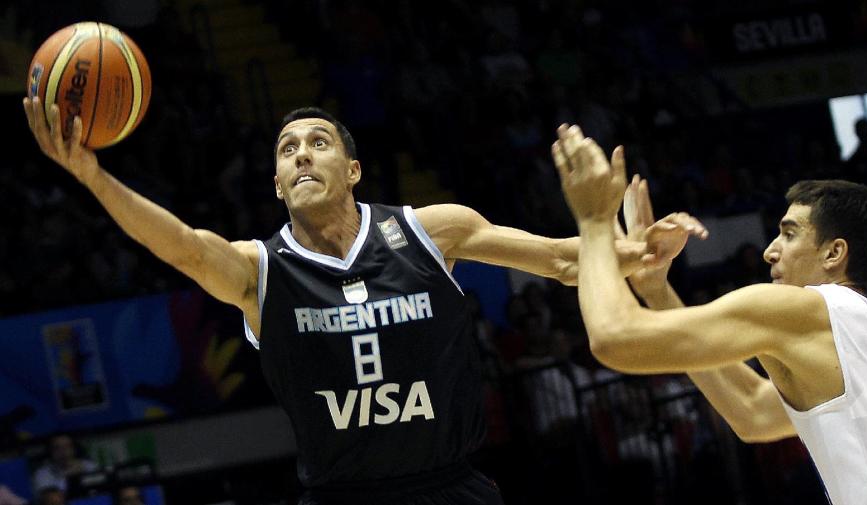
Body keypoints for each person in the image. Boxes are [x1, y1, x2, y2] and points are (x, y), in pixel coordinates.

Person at [23, 100, 699, 504]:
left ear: (352, 170)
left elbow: (557, 258)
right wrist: (94, 175)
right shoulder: (262, 269)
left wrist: (636, 253)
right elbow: (182, 247)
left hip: (452, 487)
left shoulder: (431, 230)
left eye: (318, 142)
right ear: (279, 183)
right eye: (288, 151)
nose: (302, 155)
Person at [551, 123, 867, 504]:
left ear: (834, 253)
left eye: (789, 233)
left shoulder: (805, 308)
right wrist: (657, 293)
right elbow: (752, 412)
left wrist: (594, 221)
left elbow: (615, 338)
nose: (769, 250)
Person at [31, 434, 98, 494]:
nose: (64, 452)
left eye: (68, 446)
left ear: (74, 449)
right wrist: (69, 477)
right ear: (50, 452)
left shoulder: (89, 465)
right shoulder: (42, 474)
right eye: (57, 448)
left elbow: (99, 489)